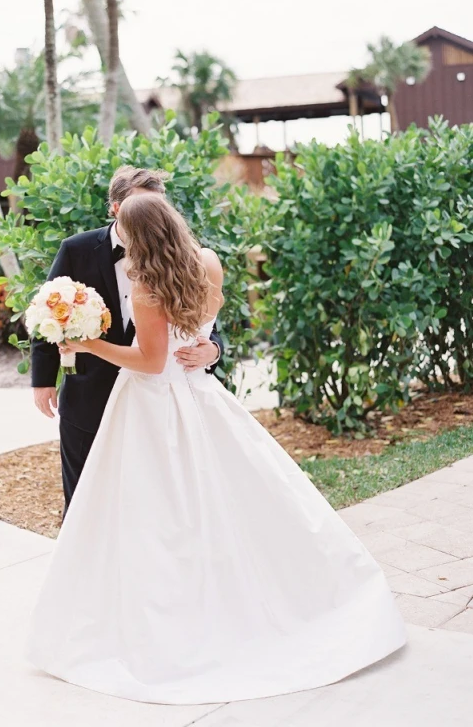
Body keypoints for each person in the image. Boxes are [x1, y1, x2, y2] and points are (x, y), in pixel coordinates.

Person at [27, 193, 407, 705]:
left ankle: (161, 616)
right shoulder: (205, 263)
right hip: (199, 396)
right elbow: (197, 331)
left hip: (153, 405)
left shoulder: (145, 285)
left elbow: (150, 361)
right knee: (224, 499)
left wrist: (88, 345)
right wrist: (206, 350)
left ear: (135, 233)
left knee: (156, 514)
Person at [31, 166, 223, 513]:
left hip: (154, 394)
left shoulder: (186, 260)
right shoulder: (77, 249)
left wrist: (214, 349)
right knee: (86, 497)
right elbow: (49, 308)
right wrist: (42, 381)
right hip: (91, 392)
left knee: (154, 497)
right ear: (116, 208)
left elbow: (202, 320)